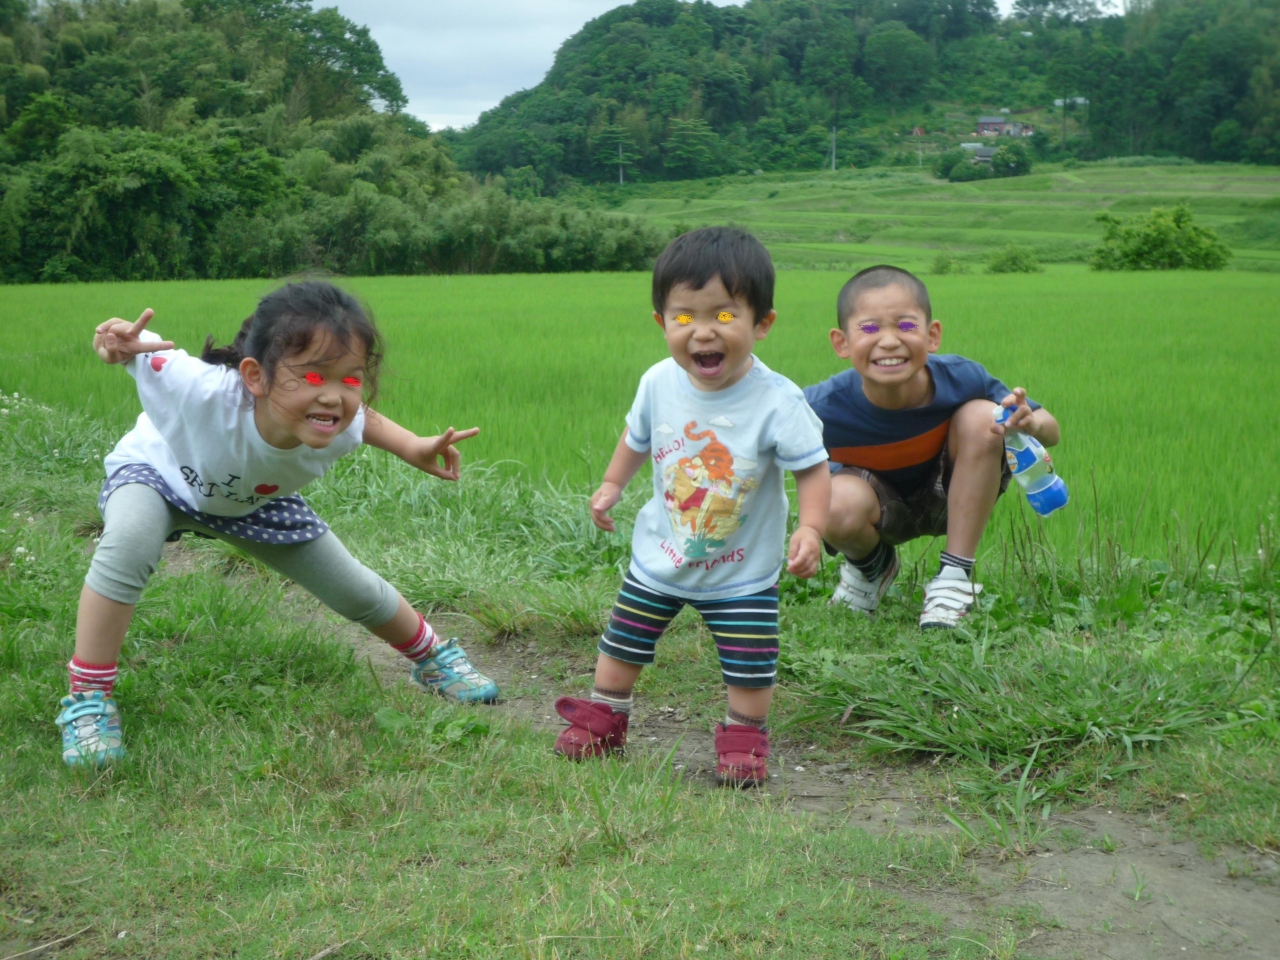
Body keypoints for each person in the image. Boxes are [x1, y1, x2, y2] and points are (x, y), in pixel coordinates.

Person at [56, 281, 499, 767]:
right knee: (129, 544)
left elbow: (365, 419)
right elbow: (137, 348)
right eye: (312, 377)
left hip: (251, 501)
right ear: (254, 375)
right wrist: (113, 341)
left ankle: (432, 659)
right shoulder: (197, 388)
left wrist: (414, 446)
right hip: (158, 474)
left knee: (354, 588)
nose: (333, 397)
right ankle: (89, 700)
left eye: (350, 379)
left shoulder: (339, 424)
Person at [553, 227, 830, 786]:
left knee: (750, 659)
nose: (702, 332)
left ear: (763, 324)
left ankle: (744, 738)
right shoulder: (658, 381)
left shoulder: (779, 400)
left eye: (724, 317)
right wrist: (611, 486)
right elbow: (637, 438)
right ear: (662, 323)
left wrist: (813, 528)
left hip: (743, 569)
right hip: (660, 554)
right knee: (623, 638)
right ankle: (606, 716)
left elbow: (812, 467)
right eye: (683, 317)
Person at [804, 265, 1061, 629]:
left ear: (932, 335)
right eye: (870, 328)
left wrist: (1029, 422)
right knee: (829, 499)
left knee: (982, 416)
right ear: (841, 343)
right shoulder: (820, 406)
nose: (890, 340)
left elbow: (1052, 431)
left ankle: (955, 577)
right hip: (873, 506)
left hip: (952, 494)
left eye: (906, 326)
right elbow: (762, 445)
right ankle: (872, 569)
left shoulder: (961, 376)